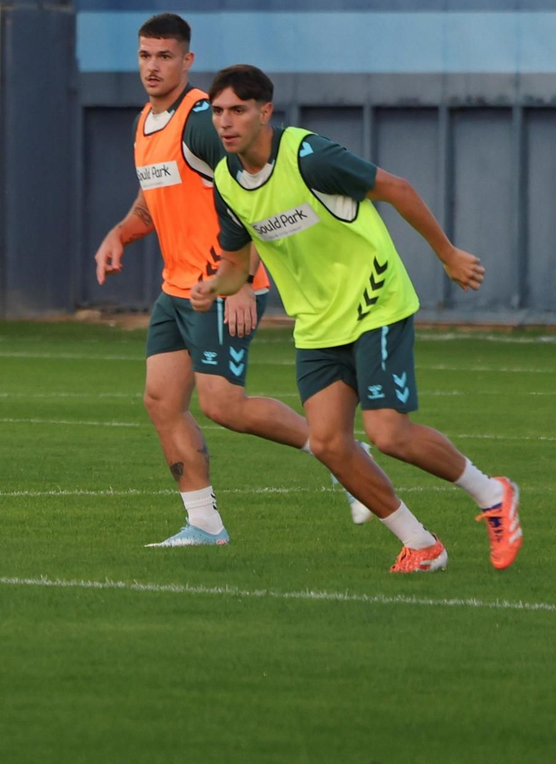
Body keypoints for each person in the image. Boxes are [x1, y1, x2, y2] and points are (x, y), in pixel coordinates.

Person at [192, 64, 521, 573]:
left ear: (265, 111)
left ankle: (492, 493)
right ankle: (421, 544)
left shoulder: (309, 156)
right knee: (328, 443)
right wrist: (215, 286)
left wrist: (448, 254)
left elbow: (398, 188)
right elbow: (236, 265)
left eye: (237, 110)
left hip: (374, 303)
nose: (225, 121)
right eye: (218, 111)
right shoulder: (226, 182)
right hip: (318, 323)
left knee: (388, 434)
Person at [94, 14, 370, 547]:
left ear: (187, 60)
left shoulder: (201, 119)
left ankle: (346, 457)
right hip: (178, 289)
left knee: (224, 406)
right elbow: (152, 199)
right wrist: (120, 234)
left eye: (165, 56)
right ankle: (204, 524)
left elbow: (253, 186)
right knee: (161, 401)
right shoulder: (145, 122)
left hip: (221, 285)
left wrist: (242, 280)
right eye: (146, 55)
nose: (153, 66)